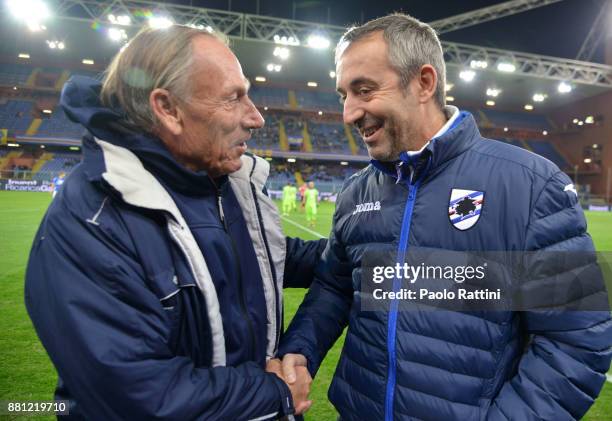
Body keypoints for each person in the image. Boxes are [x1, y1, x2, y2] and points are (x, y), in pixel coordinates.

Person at [276, 13, 612, 420]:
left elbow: (576, 342)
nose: (348, 113)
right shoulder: (356, 192)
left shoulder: (529, 186)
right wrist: (300, 347)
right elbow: (336, 285)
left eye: (364, 90)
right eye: (343, 94)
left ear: (424, 82)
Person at [25, 26, 326, 420]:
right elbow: (138, 396)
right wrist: (273, 392)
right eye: (233, 98)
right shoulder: (90, 220)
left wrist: (370, 249)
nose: (255, 118)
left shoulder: (216, 182)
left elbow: (267, 257)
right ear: (167, 109)